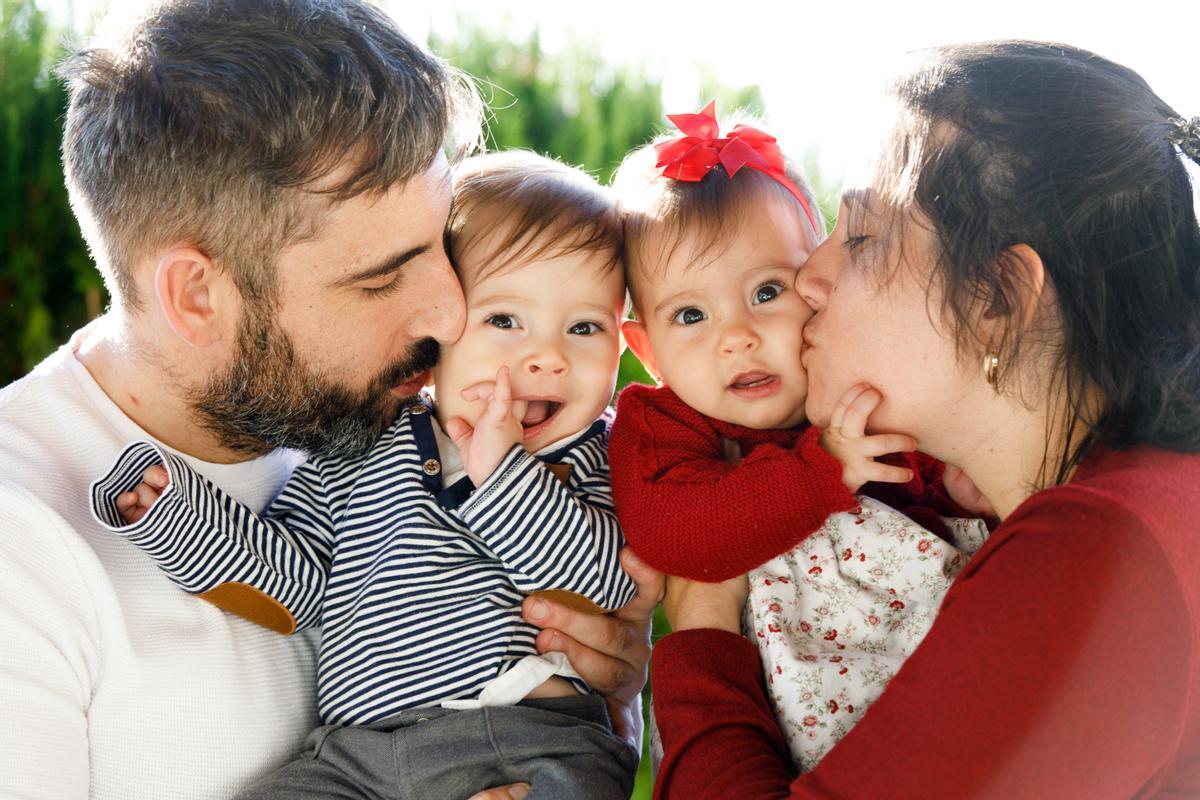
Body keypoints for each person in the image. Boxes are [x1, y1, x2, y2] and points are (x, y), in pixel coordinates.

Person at [0, 2, 657, 798]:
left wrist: (606, 694)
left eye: (440, 248)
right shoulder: (22, 541)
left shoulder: (367, 417)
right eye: (383, 274)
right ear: (198, 296)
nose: (452, 314)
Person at [647, 40, 1200, 798]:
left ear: (996, 302)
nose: (809, 276)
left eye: (864, 239)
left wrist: (702, 636)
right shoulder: (1147, 504)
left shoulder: (1099, 555)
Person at [93, 150, 639, 799]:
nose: (548, 357)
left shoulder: (595, 451)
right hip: (359, 757)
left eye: (584, 327)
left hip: (528, 738)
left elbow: (601, 581)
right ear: (444, 328)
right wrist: (180, 520)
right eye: (504, 321)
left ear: (620, 343)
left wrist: (501, 474)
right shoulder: (371, 444)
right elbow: (296, 584)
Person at [608, 103, 988, 771]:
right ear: (647, 351)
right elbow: (676, 533)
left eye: (765, 292)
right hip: (771, 724)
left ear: (817, 286)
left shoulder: (853, 387)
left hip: (931, 689)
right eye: (691, 313)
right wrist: (820, 475)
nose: (737, 336)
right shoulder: (663, 424)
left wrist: (956, 483)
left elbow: (925, 474)